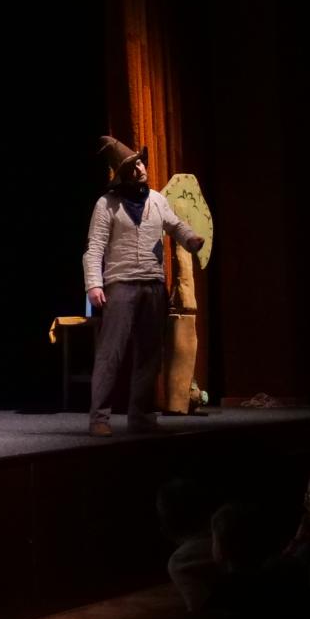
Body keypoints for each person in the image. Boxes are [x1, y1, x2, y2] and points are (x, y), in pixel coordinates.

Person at [82, 137, 205, 436]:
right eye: (132, 167)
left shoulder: (157, 200)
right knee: (111, 353)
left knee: (149, 354)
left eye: (139, 163)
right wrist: (94, 285)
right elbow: (94, 248)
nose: (139, 169)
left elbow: (175, 225)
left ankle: (141, 416)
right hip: (120, 285)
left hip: (153, 285)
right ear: (122, 174)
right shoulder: (107, 204)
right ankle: (99, 418)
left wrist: (190, 238)